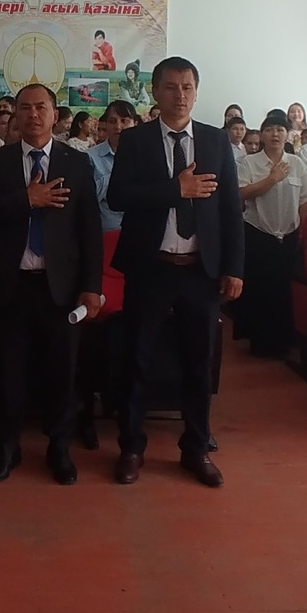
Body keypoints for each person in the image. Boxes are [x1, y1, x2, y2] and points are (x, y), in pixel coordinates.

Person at [106, 56, 243, 487]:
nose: (179, 95)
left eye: (187, 87)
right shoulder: (136, 140)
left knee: (199, 364)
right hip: (151, 267)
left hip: (200, 271)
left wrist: (234, 268)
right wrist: (175, 189)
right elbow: (117, 196)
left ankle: (196, 448)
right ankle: (131, 447)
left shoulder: (215, 140)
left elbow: (230, 209)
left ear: (196, 92)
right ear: (155, 92)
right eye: (170, 86)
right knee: (138, 360)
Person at [0, 84, 104, 484]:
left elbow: (90, 228)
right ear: (16, 114)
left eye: (41, 107)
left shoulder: (76, 162)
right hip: (11, 286)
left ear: (55, 114)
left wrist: (91, 285)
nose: (33, 115)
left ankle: (59, 448)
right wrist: (27, 199)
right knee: (8, 374)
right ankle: (6, 448)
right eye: (24, 108)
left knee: (62, 374)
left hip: (61, 289)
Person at [236, 110, 307, 359]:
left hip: (289, 235)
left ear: (288, 134)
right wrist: (272, 179)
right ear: (262, 135)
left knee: (284, 290)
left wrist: (306, 234)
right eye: (269, 130)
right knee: (260, 290)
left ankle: (284, 340)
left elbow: (304, 201)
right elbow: (241, 194)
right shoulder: (249, 163)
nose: (275, 134)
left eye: (280, 130)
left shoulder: (297, 163)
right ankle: (260, 342)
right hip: (259, 234)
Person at [88, 100, 136, 233]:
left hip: (141, 230)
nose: (118, 127)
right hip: (107, 232)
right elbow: (87, 200)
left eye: (124, 121)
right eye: (112, 121)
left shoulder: (147, 155)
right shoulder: (90, 157)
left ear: (135, 123)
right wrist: (115, 177)